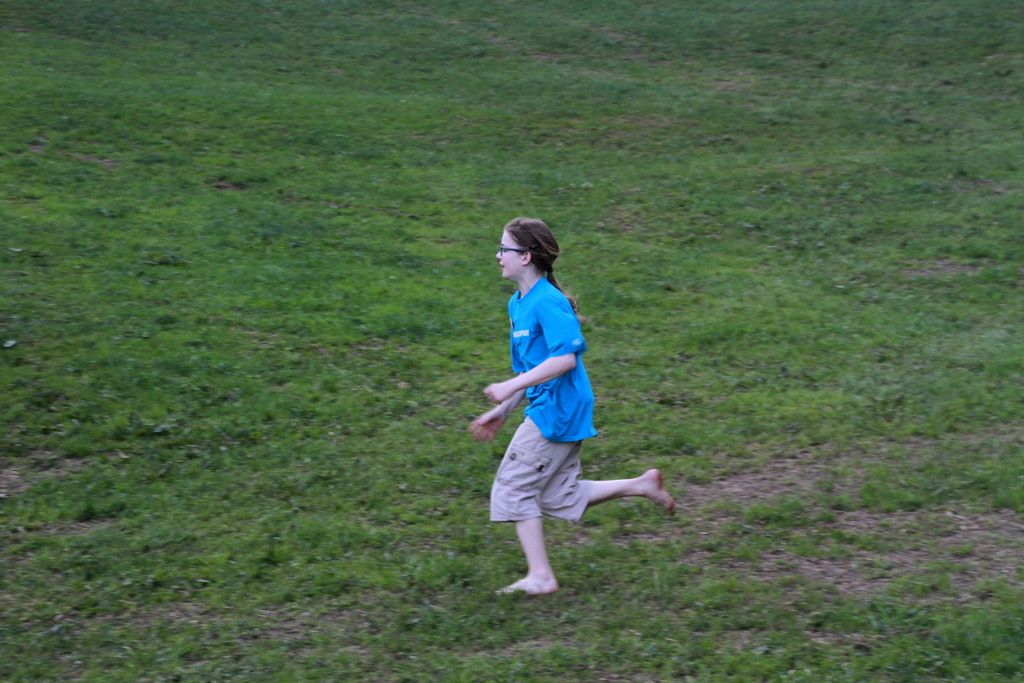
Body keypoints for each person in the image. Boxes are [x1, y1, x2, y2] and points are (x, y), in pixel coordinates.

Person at [469, 216, 676, 595]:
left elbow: (564, 360)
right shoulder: (518, 304)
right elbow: (531, 368)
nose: (498, 256)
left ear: (526, 256)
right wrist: (504, 410)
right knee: (556, 495)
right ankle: (641, 485)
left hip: (559, 409)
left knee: (513, 488)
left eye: (503, 248)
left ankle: (541, 576)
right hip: (553, 405)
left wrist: (510, 386)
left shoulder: (548, 302)